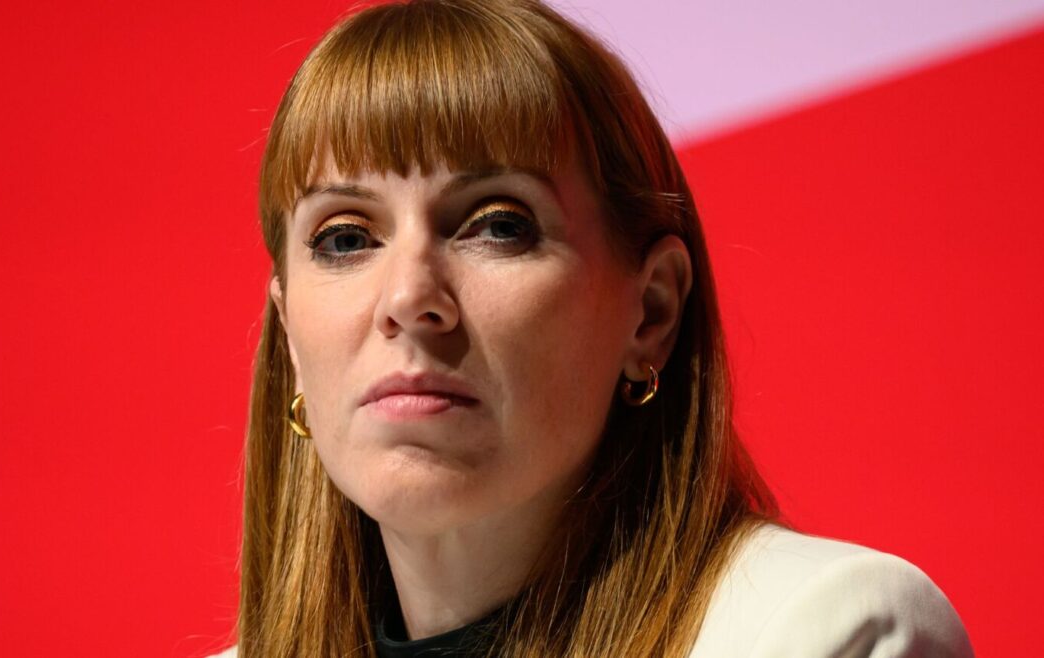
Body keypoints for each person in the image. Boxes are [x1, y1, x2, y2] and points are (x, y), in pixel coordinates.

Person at [212, 0, 974, 656]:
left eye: (498, 225)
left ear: (652, 313)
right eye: (345, 238)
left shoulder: (820, 631)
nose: (409, 297)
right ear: (291, 337)